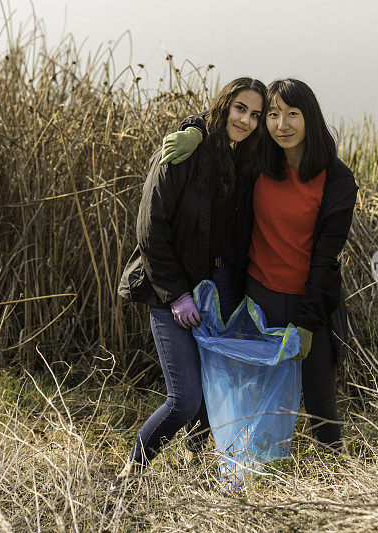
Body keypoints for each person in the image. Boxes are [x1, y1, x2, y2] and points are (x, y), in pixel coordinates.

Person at [161, 78, 358, 450]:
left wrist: (309, 324)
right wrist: (195, 132)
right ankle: (208, 460)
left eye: (292, 115)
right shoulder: (257, 163)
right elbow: (227, 124)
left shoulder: (336, 179)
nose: (281, 125)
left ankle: (336, 474)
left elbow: (326, 261)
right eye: (273, 115)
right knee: (245, 391)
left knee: (320, 403)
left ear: (310, 118)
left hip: (309, 304)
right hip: (258, 299)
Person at [116, 77, 266, 478]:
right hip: (173, 288)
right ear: (224, 106)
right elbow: (151, 229)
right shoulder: (183, 150)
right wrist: (176, 294)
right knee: (184, 399)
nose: (246, 120)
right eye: (239, 109)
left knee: (211, 391)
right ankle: (132, 470)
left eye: (255, 115)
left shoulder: (245, 157)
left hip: (221, 288)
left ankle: (195, 464)